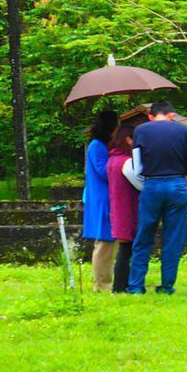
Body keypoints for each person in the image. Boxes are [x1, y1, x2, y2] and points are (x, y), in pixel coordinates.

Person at [126, 100, 187, 295]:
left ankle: (135, 285)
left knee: (144, 234)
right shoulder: (183, 131)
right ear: (171, 115)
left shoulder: (141, 130)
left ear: (151, 115)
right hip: (176, 184)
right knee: (173, 236)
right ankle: (166, 286)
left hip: (152, 185)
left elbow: (137, 162)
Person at [81, 108, 119, 291]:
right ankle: (102, 283)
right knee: (105, 242)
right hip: (102, 198)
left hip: (102, 197)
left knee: (107, 243)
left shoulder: (99, 146)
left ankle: (103, 281)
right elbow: (104, 171)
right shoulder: (97, 146)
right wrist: (119, 161)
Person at [105, 117, 140, 293]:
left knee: (124, 250)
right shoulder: (126, 162)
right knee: (127, 252)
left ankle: (120, 287)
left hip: (118, 210)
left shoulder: (112, 160)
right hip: (129, 211)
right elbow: (141, 184)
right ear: (128, 140)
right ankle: (121, 287)